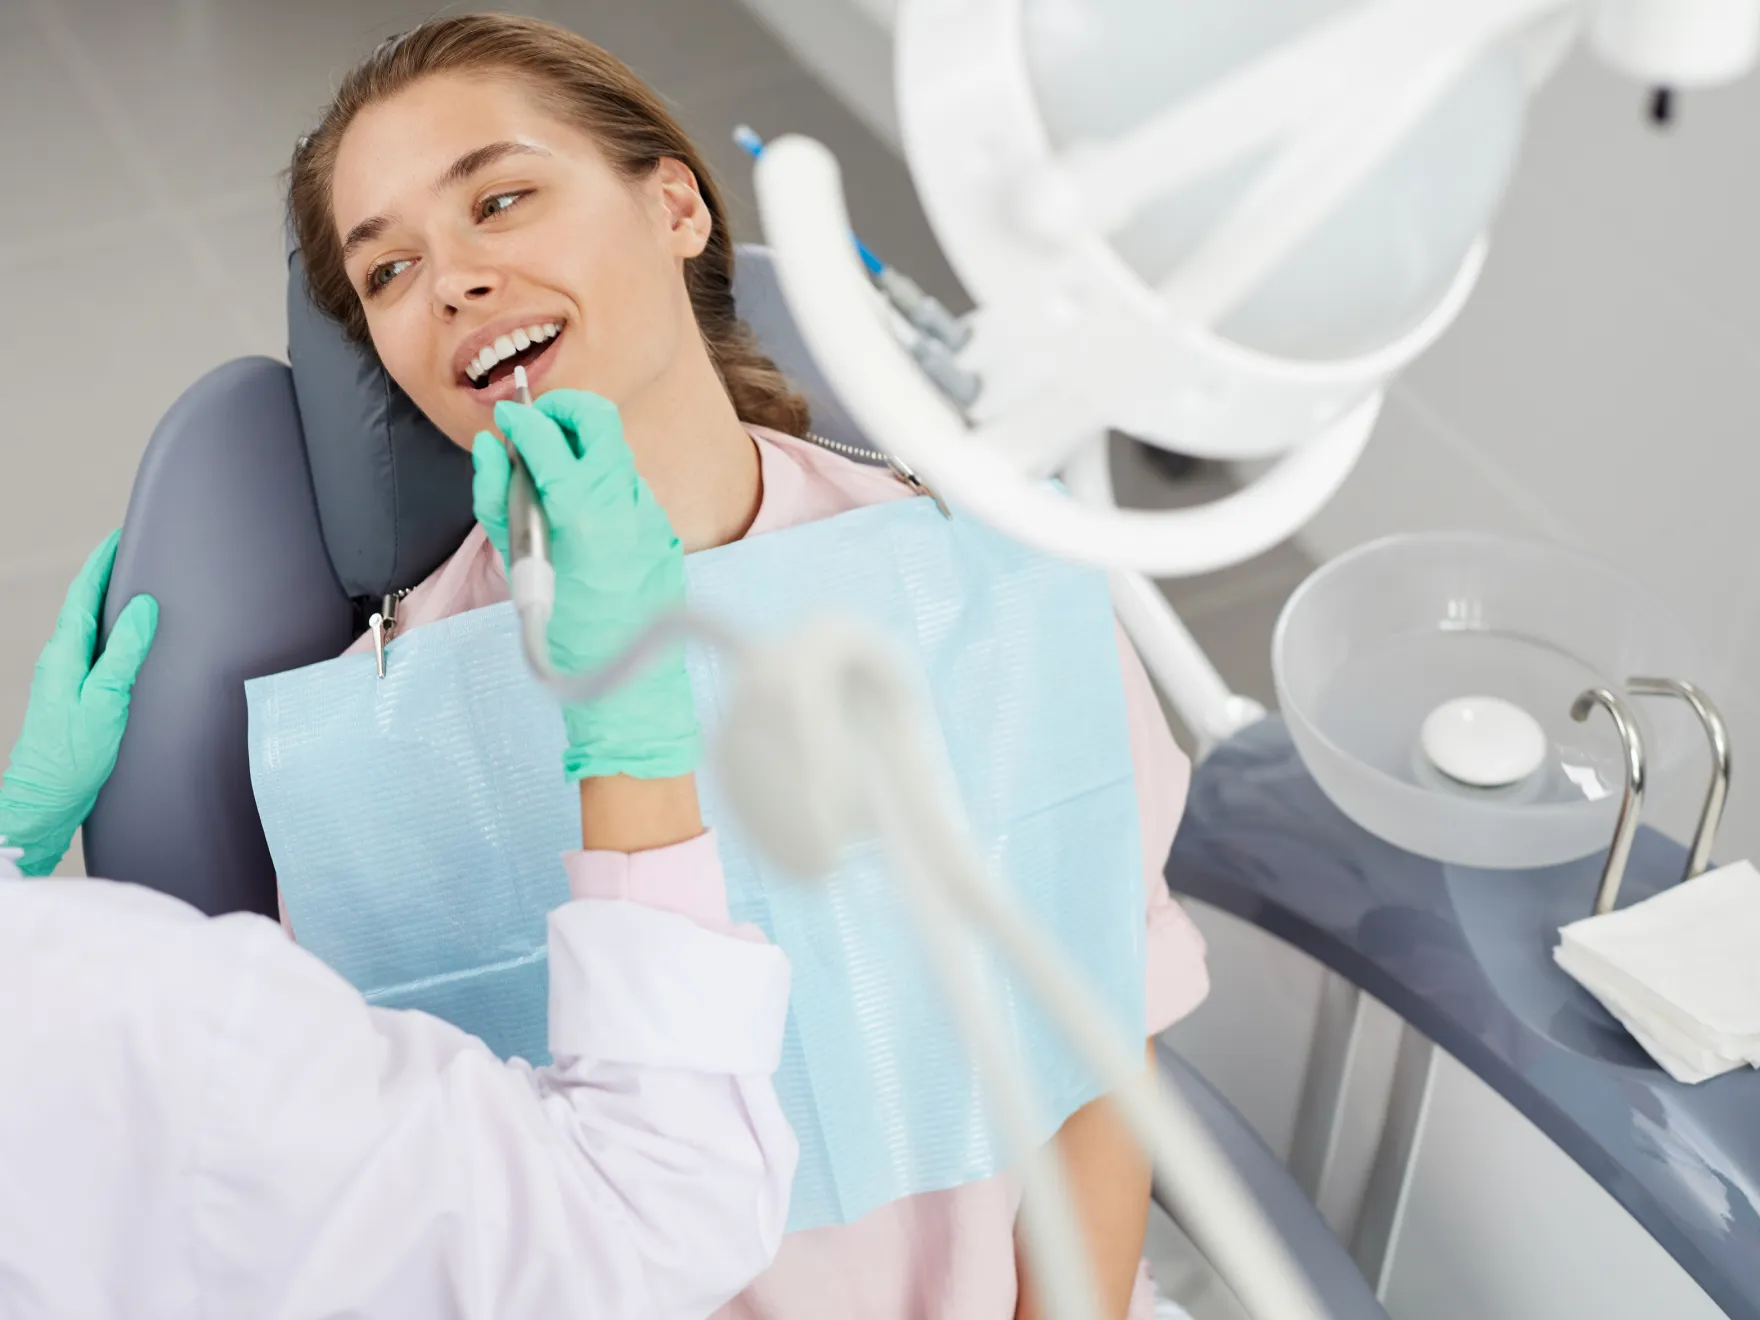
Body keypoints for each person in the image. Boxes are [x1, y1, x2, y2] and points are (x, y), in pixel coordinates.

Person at [283, 15, 1213, 1320]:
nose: (450, 282)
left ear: (674, 204)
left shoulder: (970, 575)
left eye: (501, 198)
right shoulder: (398, 739)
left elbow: (1101, 1037)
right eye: (386, 274)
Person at [0, 426, 797, 1315]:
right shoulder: (147, 1035)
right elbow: (651, 1216)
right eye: (389, 275)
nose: (460, 289)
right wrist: (633, 733)